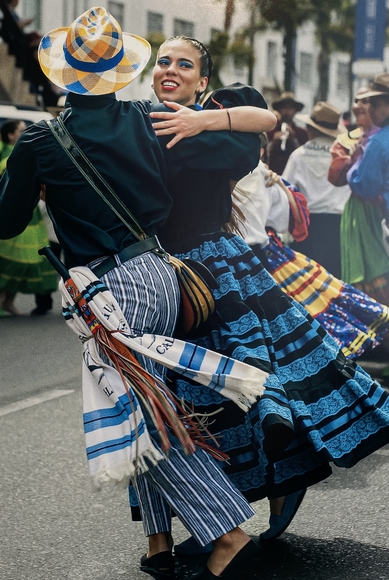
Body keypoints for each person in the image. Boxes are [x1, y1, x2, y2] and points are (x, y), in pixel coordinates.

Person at [0, 9, 274, 579]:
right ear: (121, 72)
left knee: (144, 415)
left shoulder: (42, 139)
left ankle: (229, 533)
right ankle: (158, 543)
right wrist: (206, 122)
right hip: (163, 275)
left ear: (63, 74)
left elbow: (2, 223)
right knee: (150, 401)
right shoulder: (149, 118)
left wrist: (30, 174)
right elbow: (248, 140)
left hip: (111, 288)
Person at [140, 35, 389, 554]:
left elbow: (263, 121)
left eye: (184, 64)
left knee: (264, 381)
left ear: (203, 82)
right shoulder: (140, 123)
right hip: (164, 275)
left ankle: (282, 480)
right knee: (188, 398)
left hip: (220, 270)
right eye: (163, 61)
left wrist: (200, 120)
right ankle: (206, 515)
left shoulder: (219, 137)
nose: (171, 69)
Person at [233, 140, 389, 361]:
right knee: (321, 293)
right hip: (334, 223)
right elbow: (279, 221)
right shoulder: (265, 174)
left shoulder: (295, 156)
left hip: (296, 233)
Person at [0, 119, 57, 317]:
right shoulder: (10, 154)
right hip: (20, 214)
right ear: (11, 135)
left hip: (27, 214)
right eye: (21, 130)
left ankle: (7, 300)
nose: (26, 132)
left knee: (23, 261)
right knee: (20, 261)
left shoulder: (14, 151)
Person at [282, 101, 351, 278]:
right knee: (336, 282)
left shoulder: (298, 155)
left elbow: (285, 191)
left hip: (308, 227)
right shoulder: (344, 156)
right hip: (340, 227)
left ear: (310, 129)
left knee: (310, 281)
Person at [347, 74, 389, 297]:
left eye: (376, 104)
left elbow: (364, 186)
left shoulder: (379, 141)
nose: (370, 109)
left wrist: (354, 165)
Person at [266, 91, 308, 174]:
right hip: (271, 174)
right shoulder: (270, 131)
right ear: (279, 110)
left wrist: (294, 141)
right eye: (284, 107)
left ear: (295, 111)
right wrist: (273, 142)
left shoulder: (301, 133)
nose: (287, 111)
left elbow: (306, 158)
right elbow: (261, 155)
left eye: (290, 108)